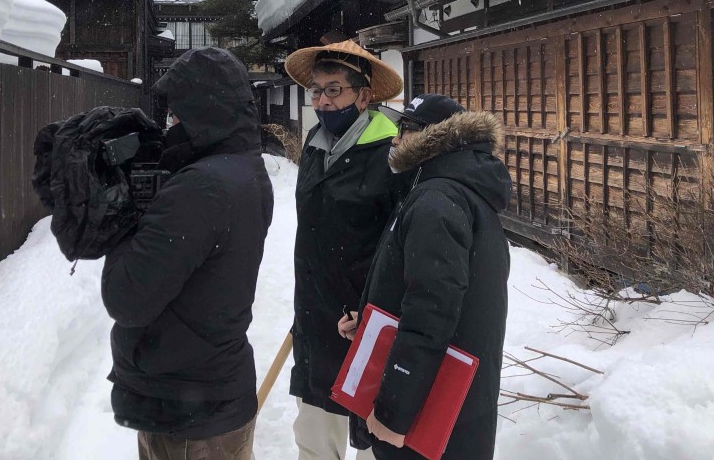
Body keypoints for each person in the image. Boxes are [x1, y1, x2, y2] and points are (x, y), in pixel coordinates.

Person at [101, 47, 274, 460]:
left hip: (187, 411)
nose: (171, 125)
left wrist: (122, 218)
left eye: (178, 114)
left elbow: (126, 298)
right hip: (212, 390)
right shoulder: (244, 168)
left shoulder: (201, 187)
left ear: (202, 111)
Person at [339, 94, 511, 460]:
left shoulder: (438, 199)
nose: (395, 139)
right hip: (449, 405)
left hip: (427, 417)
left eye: (404, 130)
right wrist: (375, 321)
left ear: (433, 139)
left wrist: (394, 412)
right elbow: (439, 296)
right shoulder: (451, 192)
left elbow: (432, 310)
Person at [283, 38, 407, 460]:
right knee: (316, 436)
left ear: (365, 96)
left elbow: (402, 249)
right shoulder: (315, 147)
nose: (322, 101)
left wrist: (381, 312)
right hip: (315, 316)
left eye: (334, 90)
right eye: (316, 91)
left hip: (366, 323)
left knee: (370, 439)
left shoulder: (392, 156)